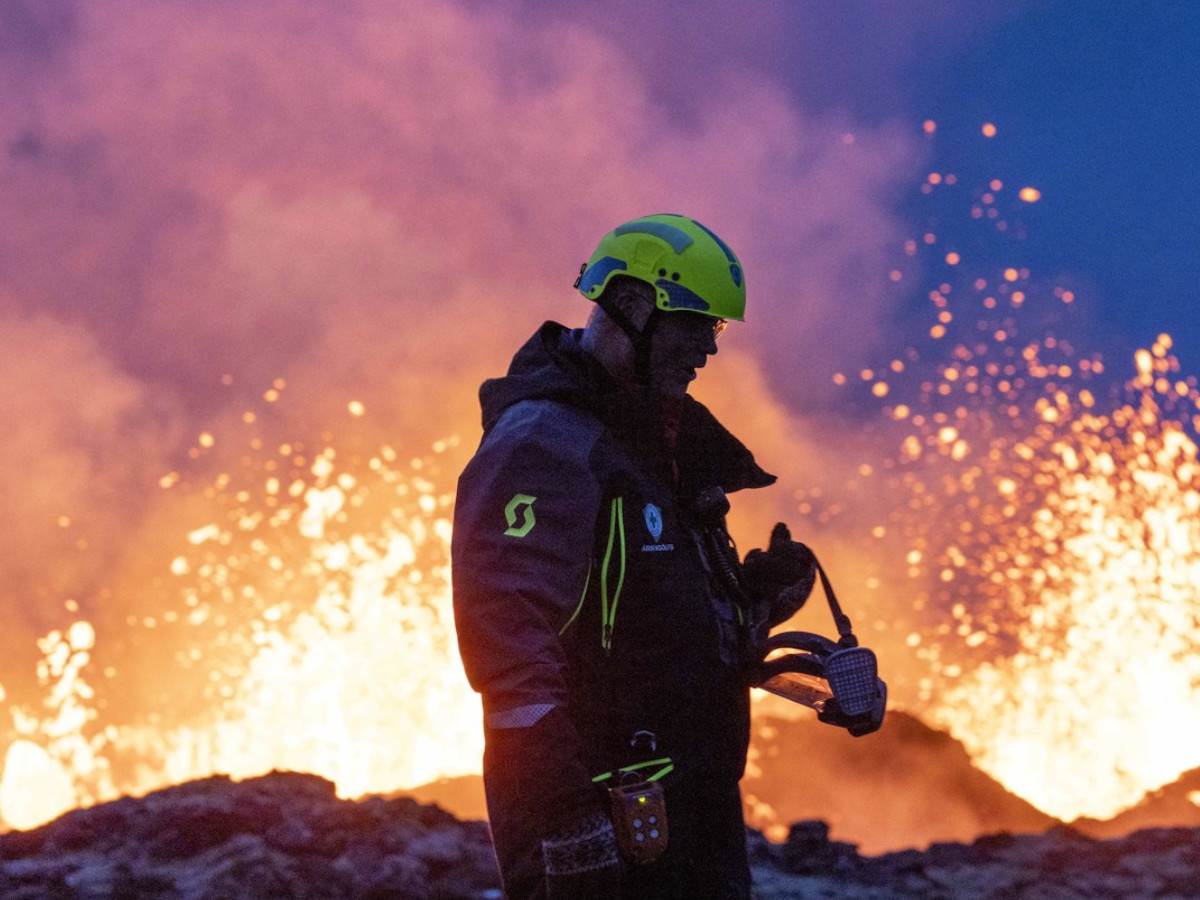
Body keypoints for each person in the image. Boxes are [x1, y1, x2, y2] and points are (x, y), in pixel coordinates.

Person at [452, 214, 816, 899]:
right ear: (632, 304)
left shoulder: (653, 444)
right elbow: (508, 647)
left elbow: (648, 629)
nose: (708, 349)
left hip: (687, 811)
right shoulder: (545, 443)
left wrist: (753, 599)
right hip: (599, 823)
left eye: (716, 330)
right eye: (693, 325)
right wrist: (564, 820)